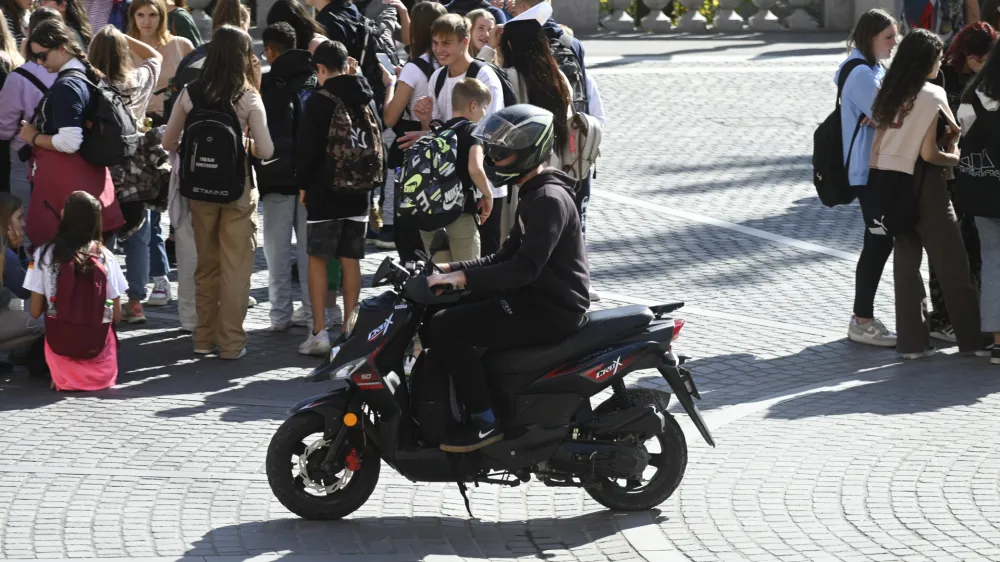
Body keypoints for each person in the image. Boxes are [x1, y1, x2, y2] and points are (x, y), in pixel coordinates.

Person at [424, 105, 589, 452]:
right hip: (533, 297)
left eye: (502, 154)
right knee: (448, 308)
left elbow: (523, 268)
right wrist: (449, 271)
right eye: (493, 152)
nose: (493, 160)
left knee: (446, 327)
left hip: (550, 309)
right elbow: (504, 256)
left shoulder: (547, 199)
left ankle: (485, 421)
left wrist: (463, 279)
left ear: (528, 152)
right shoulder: (533, 192)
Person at [162, 24, 273, 360]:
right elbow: (266, 151)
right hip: (237, 190)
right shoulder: (247, 96)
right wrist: (243, 143)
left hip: (199, 190)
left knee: (206, 265)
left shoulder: (191, 91)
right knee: (236, 269)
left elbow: (168, 141)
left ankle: (202, 338)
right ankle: (231, 344)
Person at [869, 28, 982, 359]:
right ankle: (972, 340)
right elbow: (931, 153)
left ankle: (912, 344)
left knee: (906, 267)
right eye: (938, 58)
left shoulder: (889, 92)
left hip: (889, 182)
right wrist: (956, 157)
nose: (940, 63)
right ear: (927, 60)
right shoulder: (933, 94)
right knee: (954, 264)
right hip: (926, 184)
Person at [297, 40, 385, 356]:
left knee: (318, 259)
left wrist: (303, 186)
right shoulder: (365, 98)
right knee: (351, 260)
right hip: (359, 191)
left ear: (321, 69)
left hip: (324, 190)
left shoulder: (318, 101)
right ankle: (350, 330)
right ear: (347, 64)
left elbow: (307, 149)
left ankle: (319, 333)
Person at [17, 18, 125, 249]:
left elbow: (70, 141)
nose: (39, 62)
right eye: (35, 57)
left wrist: (33, 137)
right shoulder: (83, 74)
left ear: (62, 48)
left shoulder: (68, 86)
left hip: (67, 187)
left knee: (61, 255)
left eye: (42, 55)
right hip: (85, 181)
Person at [925, 21, 995, 342]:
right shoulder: (944, 76)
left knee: (976, 248)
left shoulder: (989, 79)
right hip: (947, 170)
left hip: (976, 173)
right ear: (964, 54)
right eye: (975, 58)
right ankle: (942, 316)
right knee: (946, 248)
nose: (980, 64)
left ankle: (977, 316)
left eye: (986, 58)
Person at [410, 14, 505, 253]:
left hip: (483, 186)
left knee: (485, 256)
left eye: (446, 43)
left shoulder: (484, 76)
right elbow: (440, 133)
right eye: (435, 43)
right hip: (447, 188)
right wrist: (425, 121)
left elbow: (489, 132)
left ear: (465, 42)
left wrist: (484, 190)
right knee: (446, 261)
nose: (439, 50)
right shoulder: (437, 77)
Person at [89, 25, 162, 323]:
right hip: (134, 169)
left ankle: (104, 298)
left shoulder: (89, 85)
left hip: (100, 170)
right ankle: (135, 302)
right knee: (138, 237)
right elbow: (155, 56)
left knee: (101, 236)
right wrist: (122, 35)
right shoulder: (137, 80)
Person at [836, 9, 900, 348]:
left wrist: (886, 113)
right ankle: (862, 320)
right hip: (867, 170)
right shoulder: (861, 73)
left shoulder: (873, 68)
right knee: (878, 241)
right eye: (888, 37)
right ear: (871, 36)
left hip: (876, 166)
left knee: (879, 241)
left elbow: (890, 111)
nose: (895, 43)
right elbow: (892, 115)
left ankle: (863, 317)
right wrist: (885, 114)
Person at [24, 191, 128, 391]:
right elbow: (116, 314)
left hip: (60, 344)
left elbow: (35, 311)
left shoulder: (44, 254)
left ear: (65, 216)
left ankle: (60, 372)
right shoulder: (106, 256)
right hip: (102, 371)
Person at [258, 22, 313, 332]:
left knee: (276, 252)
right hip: (309, 179)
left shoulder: (266, 82)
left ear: (269, 50)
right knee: (308, 254)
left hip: (275, 175)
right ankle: (311, 312)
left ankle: (279, 315)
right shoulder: (314, 78)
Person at [381, 0, 447, 255]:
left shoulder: (413, 68)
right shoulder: (450, 63)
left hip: (413, 151)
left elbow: (390, 117)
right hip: (444, 147)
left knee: (409, 227)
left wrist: (391, 85)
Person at [957, 37, 1000, 364]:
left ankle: (997, 340)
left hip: (984, 191)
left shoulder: (973, 96)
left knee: (992, 262)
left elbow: (962, 134)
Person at [416, 78, 492, 262]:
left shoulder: (438, 131)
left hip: (429, 213)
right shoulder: (473, 131)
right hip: (460, 214)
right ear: (473, 106)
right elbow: (475, 168)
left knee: (440, 274)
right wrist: (488, 195)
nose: (484, 113)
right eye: (484, 108)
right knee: (465, 272)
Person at [0, 8, 59, 230]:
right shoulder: (78, 71)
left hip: (25, 155)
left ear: (30, 34)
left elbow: (4, 128)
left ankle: (29, 252)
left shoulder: (20, 77)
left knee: (25, 219)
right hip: (68, 154)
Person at [129, 0, 194, 123]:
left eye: (152, 15)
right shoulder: (123, 48)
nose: (146, 21)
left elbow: (196, 86)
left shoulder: (181, 45)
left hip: (174, 120)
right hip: (134, 121)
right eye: (140, 15)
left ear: (162, 16)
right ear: (133, 17)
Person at [0, 194, 44, 360]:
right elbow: (26, 290)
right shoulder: (5, 255)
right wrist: (19, 251)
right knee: (45, 324)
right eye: (19, 218)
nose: (23, 223)